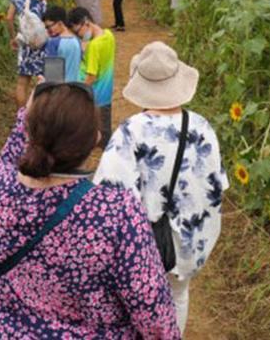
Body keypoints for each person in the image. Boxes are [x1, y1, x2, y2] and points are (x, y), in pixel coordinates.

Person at [0, 81, 181, 339]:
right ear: (95, 139)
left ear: (30, 131)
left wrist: (27, 113)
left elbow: (9, 156)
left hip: (0, 331)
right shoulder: (114, 213)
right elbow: (153, 312)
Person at [94, 42, 229, 335]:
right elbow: (218, 185)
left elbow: (108, 195)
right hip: (191, 240)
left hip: (142, 246)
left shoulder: (131, 131)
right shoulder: (203, 127)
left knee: (135, 306)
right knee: (178, 295)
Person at [6, 0, 89, 107]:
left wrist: (13, 38)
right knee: (51, 80)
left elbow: (9, 18)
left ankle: (22, 117)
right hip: (43, 42)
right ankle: (47, 112)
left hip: (26, 43)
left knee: (22, 83)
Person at [67, 7, 115, 148]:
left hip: (94, 94)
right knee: (105, 126)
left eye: (78, 31)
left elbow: (92, 76)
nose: (80, 36)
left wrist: (79, 93)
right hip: (106, 92)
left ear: (86, 22)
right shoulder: (108, 35)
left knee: (98, 131)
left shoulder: (94, 46)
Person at [43, 6, 83, 83]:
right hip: (76, 88)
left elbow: (52, 76)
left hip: (61, 89)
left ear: (60, 23)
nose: (48, 31)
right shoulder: (77, 40)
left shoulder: (53, 43)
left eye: (48, 27)